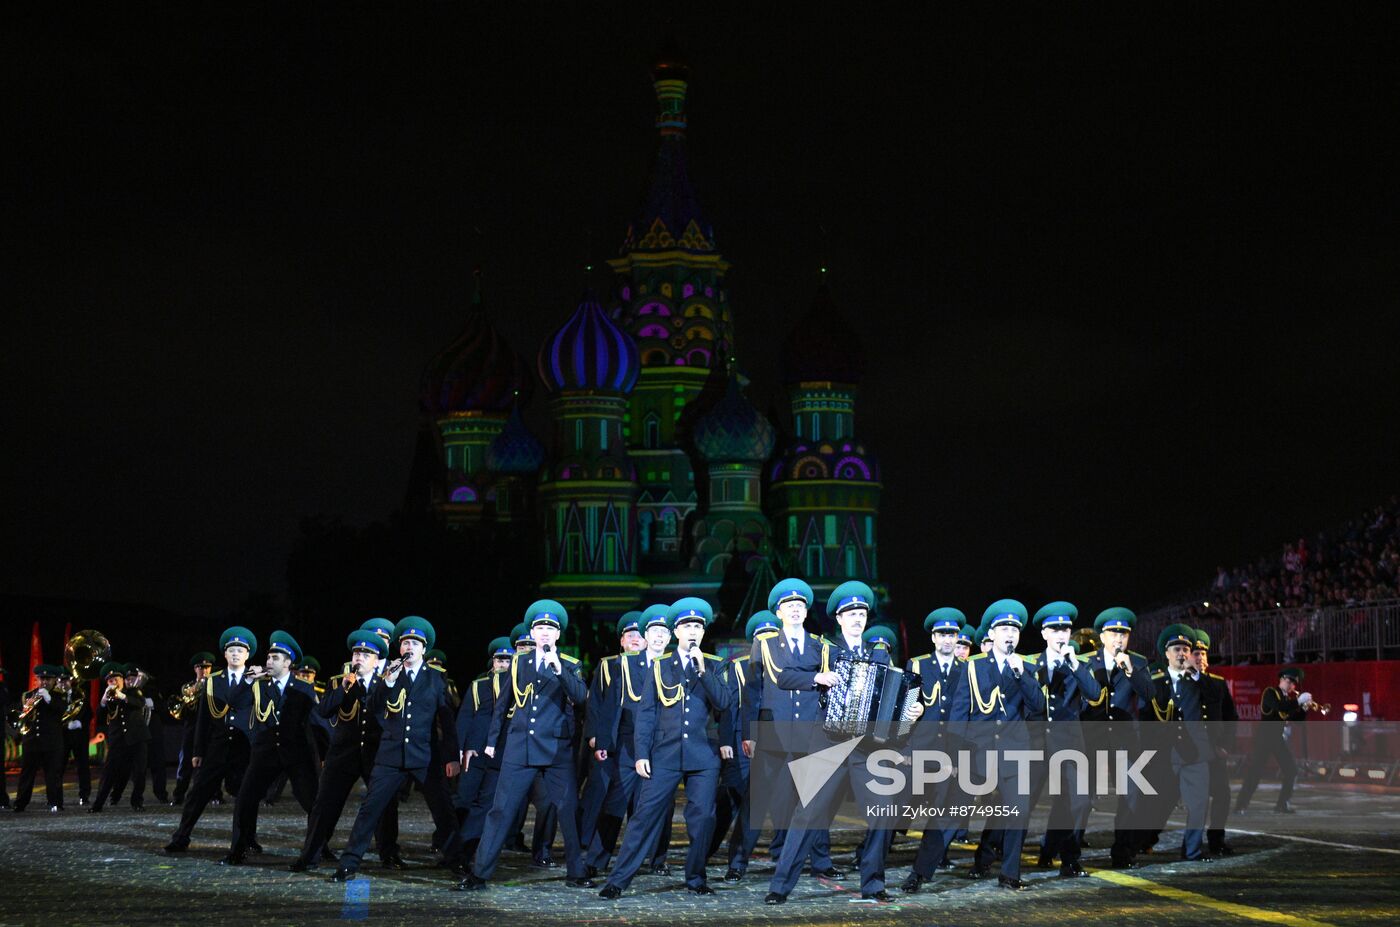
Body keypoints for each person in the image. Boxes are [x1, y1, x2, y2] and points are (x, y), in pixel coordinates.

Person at [762, 581, 912, 905]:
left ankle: (873, 883)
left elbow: (889, 701)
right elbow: (785, 676)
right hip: (828, 743)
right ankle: (780, 886)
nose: (857, 618)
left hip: (865, 746)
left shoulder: (879, 654)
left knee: (883, 812)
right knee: (807, 814)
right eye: (850, 613)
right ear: (839, 619)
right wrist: (817, 677)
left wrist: (909, 709)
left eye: (861, 613)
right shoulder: (823, 648)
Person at [456, 601, 594, 891]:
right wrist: (492, 742)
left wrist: (559, 669)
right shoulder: (519, 662)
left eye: (550, 629)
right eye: (540, 628)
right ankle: (480, 873)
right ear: (532, 632)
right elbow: (502, 704)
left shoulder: (569, 664)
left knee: (567, 808)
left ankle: (577, 871)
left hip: (556, 749)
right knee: (501, 809)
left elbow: (581, 697)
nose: (544, 633)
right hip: (520, 746)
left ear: (558, 635)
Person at [599, 597, 731, 898]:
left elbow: (724, 703)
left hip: (702, 756)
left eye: (698, 626)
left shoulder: (712, 664)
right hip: (665, 754)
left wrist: (702, 670)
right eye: (687, 626)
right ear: (676, 631)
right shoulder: (660, 666)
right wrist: (642, 753)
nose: (693, 630)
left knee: (702, 818)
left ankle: (696, 878)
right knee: (644, 818)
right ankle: (618, 881)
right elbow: (646, 713)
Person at [330, 617, 461, 881]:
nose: (408, 648)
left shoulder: (436, 679)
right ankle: (349, 863)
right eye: (404, 643)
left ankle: (457, 860)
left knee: (443, 810)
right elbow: (373, 706)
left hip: (425, 756)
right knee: (370, 810)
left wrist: (452, 756)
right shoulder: (388, 675)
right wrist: (387, 683)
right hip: (390, 756)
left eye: (414, 643)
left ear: (424, 649)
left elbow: (447, 722)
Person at [947, 600, 1045, 891]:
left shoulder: (1025, 666)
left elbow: (1038, 706)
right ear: (992, 633)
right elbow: (960, 714)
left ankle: (1010, 874)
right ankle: (924, 868)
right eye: (1004, 628)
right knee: (955, 812)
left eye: (1014, 628)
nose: (1010, 634)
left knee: (1018, 813)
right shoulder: (976, 667)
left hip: (1015, 752)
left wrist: (1021, 674)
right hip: (980, 751)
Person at [579, 605, 675, 878]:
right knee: (615, 803)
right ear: (645, 635)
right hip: (627, 744)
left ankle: (658, 859)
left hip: (661, 745)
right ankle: (597, 860)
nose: (658, 637)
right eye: (653, 631)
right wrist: (604, 745)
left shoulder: (672, 664)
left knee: (661, 805)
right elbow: (611, 706)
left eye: (663, 632)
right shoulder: (626, 664)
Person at [290, 630, 395, 872]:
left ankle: (388, 853)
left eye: (366, 654)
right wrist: (344, 689)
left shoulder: (386, 682)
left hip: (375, 752)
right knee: (324, 805)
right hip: (343, 753)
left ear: (377, 659)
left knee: (384, 805)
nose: (360, 658)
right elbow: (324, 710)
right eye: (357, 653)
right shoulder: (339, 681)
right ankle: (310, 855)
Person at [223, 631, 319, 865]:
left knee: (312, 802)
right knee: (245, 799)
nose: (269, 661)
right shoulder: (258, 685)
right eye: (268, 657)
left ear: (288, 662)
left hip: (296, 752)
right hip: (265, 752)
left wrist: (321, 755)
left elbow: (315, 721)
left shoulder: (303, 687)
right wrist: (247, 680)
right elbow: (233, 702)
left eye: (276, 658)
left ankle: (317, 848)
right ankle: (239, 849)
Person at [166, 627, 260, 854]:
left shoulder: (257, 680)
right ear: (225, 655)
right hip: (217, 746)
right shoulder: (213, 681)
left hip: (243, 748)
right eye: (232, 650)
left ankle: (247, 838)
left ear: (247, 655)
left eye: (240, 650)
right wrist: (197, 751)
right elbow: (203, 718)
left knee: (247, 796)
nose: (236, 654)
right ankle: (181, 836)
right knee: (197, 793)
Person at [1026, 602, 1102, 877]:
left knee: (1079, 801)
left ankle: (1069, 860)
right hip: (1037, 744)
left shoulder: (1080, 664)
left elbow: (1094, 694)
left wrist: (1073, 664)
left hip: (1070, 743)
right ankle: (987, 858)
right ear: (1044, 633)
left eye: (1065, 629)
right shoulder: (1032, 663)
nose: (1061, 634)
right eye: (1055, 629)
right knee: (1021, 803)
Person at [900, 607, 970, 893]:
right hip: (920, 751)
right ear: (933, 637)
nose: (947, 640)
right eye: (942, 634)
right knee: (898, 812)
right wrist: (902, 747)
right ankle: (869, 858)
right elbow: (905, 709)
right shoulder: (917, 666)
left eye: (952, 634)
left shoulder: (967, 669)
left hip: (951, 754)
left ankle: (920, 871)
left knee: (944, 814)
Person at [1079, 606, 1154, 868]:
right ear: (1102, 637)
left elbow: (1149, 694)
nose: (1119, 639)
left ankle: (1122, 853)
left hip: (1125, 740)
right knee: (1081, 798)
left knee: (1131, 795)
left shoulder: (1138, 662)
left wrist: (1131, 672)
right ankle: (1065, 850)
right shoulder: (1087, 662)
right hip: (1093, 738)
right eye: (1113, 633)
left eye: (1123, 634)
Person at [713, 611, 780, 882]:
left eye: (770, 636)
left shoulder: (787, 664)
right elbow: (729, 708)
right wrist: (727, 742)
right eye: (761, 637)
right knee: (748, 804)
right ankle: (737, 862)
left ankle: (786, 857)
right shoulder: (739, 666)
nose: (765, 641)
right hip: (746, 742)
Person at [1139, 625, 1212, 861]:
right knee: (1157, 803)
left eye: (1186, 649)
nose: (1182, 653)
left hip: (1194, 751)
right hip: (1164, 752)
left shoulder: (1200, 681)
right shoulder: (1155, 679)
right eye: (1177, 649)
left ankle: (1192, 850)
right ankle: (1144, 840)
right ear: (1167, 653)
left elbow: (1215, 700)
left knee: (1199, 804)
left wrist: (1198, 675)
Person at [443, 636, 517, 869]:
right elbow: (465, 718)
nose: (503, 663)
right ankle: (450, 848)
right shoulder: (479, 685)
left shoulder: (519, 686)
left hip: (501, 754)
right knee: (463, 800)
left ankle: (463, 853)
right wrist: (460, 750)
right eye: (499, 659)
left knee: (484, 805)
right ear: (492, 661)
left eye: (508, 659)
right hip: (474, 754)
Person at [577, 612, 644, 860]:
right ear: (622, 641)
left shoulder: (654, 665)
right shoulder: (608, 665)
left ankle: (641, 852)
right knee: (599, 792)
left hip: (637, 743)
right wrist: (595, 735)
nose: (635, 639)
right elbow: (595, 703)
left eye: (639, 635)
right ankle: (588, 842)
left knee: (636, 800)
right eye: (630, 635)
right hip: (609, 741)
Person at [1236, 666, 1310, 814]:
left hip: (1277, 739)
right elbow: (1278, 707)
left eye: (1294, 683)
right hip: (1264, 738)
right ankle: (1240, 805)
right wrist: (1297, 702)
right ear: (1282, 679)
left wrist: (1303, 709)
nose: (1292, 686)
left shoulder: (1287, 699)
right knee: (1255, 773)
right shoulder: (1270, 692)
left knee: (1291, 770)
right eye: (1289, 681)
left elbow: (1297, 721)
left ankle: (1282, 804)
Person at [1191, 629, 1238, 854]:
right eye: (1195, 653)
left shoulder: (1218, 684)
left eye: (1203, 653)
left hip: (1214, 750)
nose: (1199, 658)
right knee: (1168, 797)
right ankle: (1147, 836)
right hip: (1188, 751)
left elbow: (1231, 717)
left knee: (1222, 794)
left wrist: (1226, 745)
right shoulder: (1182, 681)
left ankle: (1216, 840)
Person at [90, 662, 151, 811]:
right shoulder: (109, 698)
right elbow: (98, 715)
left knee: (139, 773)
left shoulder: (133, 692)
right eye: (110, 681)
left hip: (137, 738)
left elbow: (140, 703)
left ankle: (137, 802)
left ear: (122, 679)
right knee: (108, 773)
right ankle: (98, 804)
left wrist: (123, 696)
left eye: (116, 679)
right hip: (118, 740)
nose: (114, 682)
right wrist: (103, 701)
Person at [12, 664, 69, 812]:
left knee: (53, 774)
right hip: (31, 741)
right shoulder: (28, 695)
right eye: (41, 679)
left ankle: (55, 802)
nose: (44, 682)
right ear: (37, 679)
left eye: (48, 679)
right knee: (26, 774)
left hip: (52, 742)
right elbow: (20, 715)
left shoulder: (59, 695)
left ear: (55, 680)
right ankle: (20, 803)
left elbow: (62, 710)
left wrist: (48, 698)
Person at [171, 653, 215, 805]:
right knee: (185, 763)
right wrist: (197, 687)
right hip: (192, 728)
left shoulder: (215, 684)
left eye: (207, 667)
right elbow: (185, 705)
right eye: (201, 667)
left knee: (211, 762)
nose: (204, 670)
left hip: (209, 728)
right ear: (195, 669)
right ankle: (179, 795)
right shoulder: (188, 687)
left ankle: (214, 795)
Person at [55, 673, 93, 807]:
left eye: (65, 681)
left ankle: (84, 796)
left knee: (83, 767)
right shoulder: (55, 696)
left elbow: (89, 713)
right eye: (60, 681)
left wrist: (80, 722)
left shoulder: (80, 694)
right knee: (58, 767)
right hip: (62, 737)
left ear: (70, 681)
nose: (62, 684)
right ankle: (55, 798)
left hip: (79, 736)